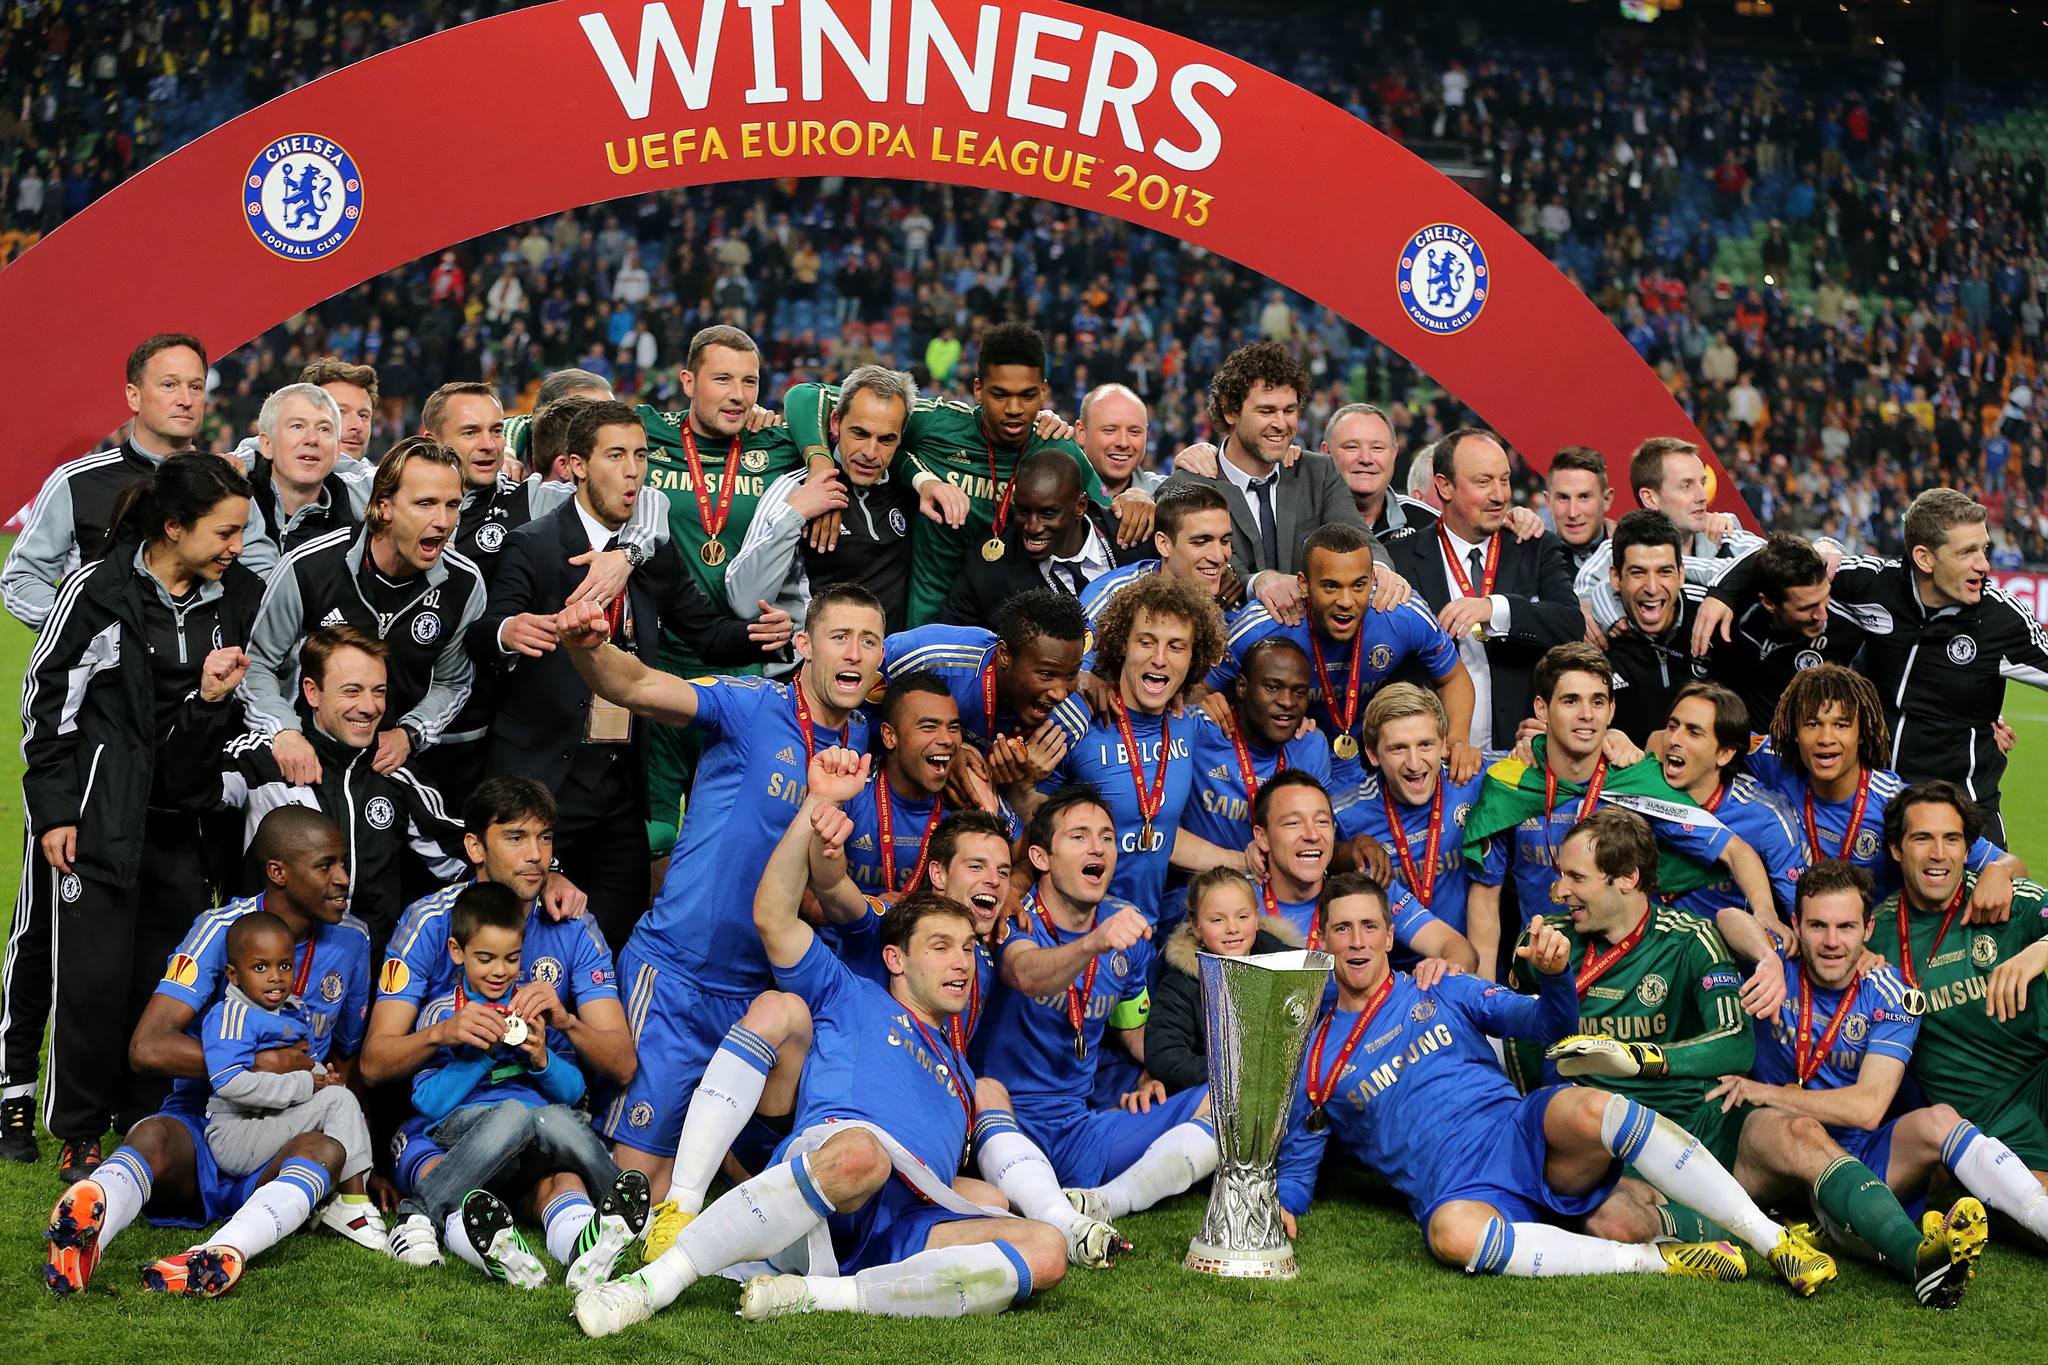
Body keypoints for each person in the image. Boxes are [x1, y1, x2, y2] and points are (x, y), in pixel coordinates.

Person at [570, 789, 1073, 1336]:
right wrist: (816, 806)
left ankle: (820, 1296)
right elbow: (773, 914)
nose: (961, 963)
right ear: (895, 958)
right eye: (940, 947)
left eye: (966, 950)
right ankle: (656, 1281)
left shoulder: (959, 1068)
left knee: (1045, 1250)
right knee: (862, 1151)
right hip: (829, 1187)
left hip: (901, 1224)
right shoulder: (847, 991)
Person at [1273, 871, 1831, 1291]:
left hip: (1518, 1134)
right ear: (1321, 941)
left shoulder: (1438, 985)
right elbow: (1300, 1160)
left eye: (1369, 926)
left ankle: (1771, 1239)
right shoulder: (1315, 1055)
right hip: (1460, 1189)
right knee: (1450, 1236)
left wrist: (1557, 977)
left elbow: (1549, 1026)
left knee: (1585, 1105)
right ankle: (1655, 1260)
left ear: (1390, 934)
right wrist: (1282, 1205)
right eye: (1342, 928)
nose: (1357, 941)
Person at [1527, 811, 1987, 1308]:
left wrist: (1641, 1058)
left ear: (1626, 879)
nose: (1559, 890)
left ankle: (1919, 1258)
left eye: (1574, 877)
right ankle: (1769, 1230)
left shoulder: (1689, 939)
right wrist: (1549, 981)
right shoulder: (1548, 942)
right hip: (1614, 1152)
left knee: (1798, 1132)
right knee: (1610, 1222)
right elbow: (1526, 1040)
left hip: (1704, 1124)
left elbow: (1734, 1044)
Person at [555, 582, 883, 1200]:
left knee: (740, 1182)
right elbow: (638, 686)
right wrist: (587, 649)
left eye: (869, 641)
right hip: (678, 979)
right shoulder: (749, 704)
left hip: (761, 994)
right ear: (805, 646)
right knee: (637, 1187)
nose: (854, 654)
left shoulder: (860, 742)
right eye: (839, 637)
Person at [18, 453, 263, 1179]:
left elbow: (259, 706)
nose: (235, 547)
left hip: (188, 821)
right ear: (174, 526)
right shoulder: (98, 590)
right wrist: (58, 810)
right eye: (224, 532)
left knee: (167, 981)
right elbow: (46, 706)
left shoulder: (239, 595)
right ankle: (82, 1128)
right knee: (92, 982)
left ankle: (148, 1119)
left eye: (241, 531)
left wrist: (221, 728)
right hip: (99, 820)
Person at [473, 398, 791, 945]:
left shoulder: (649, 553)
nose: (633, 471)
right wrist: (508, 632)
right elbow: (485, 631)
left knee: (613, 937)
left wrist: (763, 634)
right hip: (543, 777)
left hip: (619, 786)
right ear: (575, 465)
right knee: (524, 942)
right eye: (615, 455)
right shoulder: (536, 544)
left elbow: (706, 633)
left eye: (640, 455)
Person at [45, 809, 374, 1298]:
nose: (343, 879)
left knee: (324, 1148)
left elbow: (347, 1053)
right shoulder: (220, 928)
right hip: (204, 1118)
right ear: (278, 871)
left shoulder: (352, 939)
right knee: (152, 1134)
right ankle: (95, 1213)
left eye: (344, 863)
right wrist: (250, 1065)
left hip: (287, 1124)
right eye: (326, 866)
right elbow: (149, 1044)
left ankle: (218, 1254)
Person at [1709, 858, 2048, 1248]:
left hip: (1859, 1154)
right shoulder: (1778, 965)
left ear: (1867, 929)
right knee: (1798, 1132)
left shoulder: (1892, 993)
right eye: (1818, 926)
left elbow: (1867, 1109)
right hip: (1775, 1151)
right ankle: (1879, 1235)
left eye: (1846, 927)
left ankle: (2040, 1215)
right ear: (1797, 927)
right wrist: (1766, 956)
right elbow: (1727, 915)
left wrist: (1765, 1093)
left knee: (1940, 1120)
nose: (1832, 941)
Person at [362, 777, 631, 1266]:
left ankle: (586, 1249)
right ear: (474, 846)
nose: (536, 855)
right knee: (438, 1160)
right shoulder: (430, 921)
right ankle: (426, 1219)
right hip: (448, 1128)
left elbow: (623, 1064)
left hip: (540, 1121)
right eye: (515, 837)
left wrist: (566, 1024)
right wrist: (445, 1033)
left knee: (561, 1176)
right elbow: (376, 1064)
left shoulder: (573, 925)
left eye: (545, 838)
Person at [1702, 488, 2048, 844]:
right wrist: (1723, 594)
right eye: (1967, 552)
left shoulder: (2003, 620)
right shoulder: (1873, 584)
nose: (1984, 565)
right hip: (1873, 805)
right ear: (1924, 558)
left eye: (1984, 549)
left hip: (1961, 811)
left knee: (1994, 890)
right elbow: (1779, 559)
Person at [1463, 644, 1789, 993]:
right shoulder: (1511, 782)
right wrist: (1483, 998)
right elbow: (1485, 899)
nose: (1586, 714)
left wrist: (1765, 912)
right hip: (1546, 971)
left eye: (1598, 702)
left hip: (1636, 978)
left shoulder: (1639, 780)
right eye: (1571, 701)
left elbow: (1734, 851)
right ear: (1542, 708)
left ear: (1612, 709)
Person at [783, 321, 1149, 628]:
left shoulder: (1059, 451)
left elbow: (1107, 511)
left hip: (1007, 624)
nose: (1014, 409)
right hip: (927, 624)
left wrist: (1136, 497)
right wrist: (823, 469)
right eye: (999, 394)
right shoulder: (936, 423)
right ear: (977, 390)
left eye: (1027, 396)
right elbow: (806, 396)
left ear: (1044, 394)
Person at [978, 786, 1221, 1220]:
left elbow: (1131, 1028)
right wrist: (1092, 944)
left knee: (1226, 1102)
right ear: (1040, 858)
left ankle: (1108, 1201)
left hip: (1079, 1128)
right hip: (1004, 1123)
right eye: (1079, 836)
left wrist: (1154, 1069)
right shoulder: (1014, 917)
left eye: (1107, 837)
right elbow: (1024, 972)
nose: (1098, 847)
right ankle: (1058, 1212)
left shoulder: (1123, 928)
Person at [404, 881, 645, 1291]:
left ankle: (618, 1210)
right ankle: (418, 1211)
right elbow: (427, 1102)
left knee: (552, 1117)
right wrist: (477, 1054)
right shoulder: (444, 1013)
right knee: (516, 1114)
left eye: (511, 958)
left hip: (533, 1133)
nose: (499, 970)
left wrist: (541, 1059)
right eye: (485, 958)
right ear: (457, 952)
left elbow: (571, 1093)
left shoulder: (530, 1006)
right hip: (466, 1130)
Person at [238, 437, 485, 791]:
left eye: (452, 505)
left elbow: (453, 681)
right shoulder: (309, 568)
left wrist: (410, 733)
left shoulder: (464, 584)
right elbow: (257, 664)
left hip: (396, 771)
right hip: (306, 765)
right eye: (425, 504)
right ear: (384, 506)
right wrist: (284, 731)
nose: (443, 521)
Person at [209, 627, 467, 948]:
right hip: (269, 969)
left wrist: (547, 871)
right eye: (352, 690)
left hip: (365, 977)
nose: (369, 707)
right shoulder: (266, 757)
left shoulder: (394, 772)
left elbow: (468, 857)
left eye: (379, 691)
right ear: (312, 692)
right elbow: (186, 792)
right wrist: (208, 704)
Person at [1869, 783, 2048, 1222]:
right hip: (1986, 1128)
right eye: (1922, 838)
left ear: (1968, 848)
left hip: (2041, 1084)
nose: (1938, 853)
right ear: (1895, 849)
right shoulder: (1877, 935)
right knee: (2027, 1213)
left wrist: (2036, 952)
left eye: (1951, 839)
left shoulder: (2000, 899)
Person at [1018, 574, 1231, 919]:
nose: (1160, 658)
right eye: (1146, 642)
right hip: (1074, 930)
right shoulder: (1078, 718)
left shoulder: (1187, 724)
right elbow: (1029, 816)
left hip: (1144, 934)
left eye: (1176, 646)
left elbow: (1157, 833)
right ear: (1122, 646)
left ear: (1194, 658)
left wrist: (1241, 860)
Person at [1217, 521, 1474, 793]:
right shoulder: (1264, 624)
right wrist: (1215, 705)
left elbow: (1454, 678)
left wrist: (1456, 740)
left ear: (1373, 580)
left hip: (1374, 767)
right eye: (1331, 586)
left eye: (1358, 585)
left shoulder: (1401, 613)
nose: (1346, 601)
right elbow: (1202, 692)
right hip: (1284, 766)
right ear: (1303, 584)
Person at [1743, 664, 2020, 906]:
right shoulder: (1771, 762)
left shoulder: (1897, 804)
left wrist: (1998, 871)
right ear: (1794, 733)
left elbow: (2012, 866)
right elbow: (1715, 738)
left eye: (1841, 725)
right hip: (1798, 939)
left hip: (1875, 950)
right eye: (1812, 724)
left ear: (1862, 733)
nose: (1825, 738)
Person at [1387, 429, 1581, 748]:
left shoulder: (1534, 547)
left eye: (1504, 480)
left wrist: (1496, 609)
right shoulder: (1401, 559)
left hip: (1521, 754)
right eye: (1484, 482)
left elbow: (1570, 625)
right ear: (1444, 486)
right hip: (1433, 758)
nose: (1500, 495)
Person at [197, 911, 379, 1252]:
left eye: (284, 966)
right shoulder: (231, 1014)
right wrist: (307, 1085)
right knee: (337, 1101)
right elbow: (230, 1084)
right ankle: (353, 1203)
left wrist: (323, 1076)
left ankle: (332, 1199)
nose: (275, 978)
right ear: (233, 975)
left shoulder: (293, 1010)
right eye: (260, 967)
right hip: (237, 1132)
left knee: (338, 1095)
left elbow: (303, 1062)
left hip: (269, 1121)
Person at [4, 332, 208, 631]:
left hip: (201, 676)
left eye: (196, 387)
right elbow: (22, 578)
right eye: (169, 385)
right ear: (133, 396)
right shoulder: (76, 482)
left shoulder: (225, 484)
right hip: (101, 676)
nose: (186, 400)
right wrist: (82, 629)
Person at [724, 364, 939, 631]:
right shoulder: (796, 488)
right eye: (859, 433)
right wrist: (793, 515)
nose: (870, 452)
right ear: (835, 422)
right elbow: (743, 602)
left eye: (885, 439)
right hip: (809, 666)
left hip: (886, 666)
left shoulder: (905, 490)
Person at [1350, 684, 1509, 972]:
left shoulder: (1476, 778)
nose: (1414, 763)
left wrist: (1614, 738)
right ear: (1373, 754)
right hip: (1394, 985)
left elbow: (1555, 760)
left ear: (1444, 744)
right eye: (1398, 748)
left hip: (1472, 972)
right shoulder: (1348, 816)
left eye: (1425, 745)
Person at [1247, 769, 1473, 967]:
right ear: (1263, 837)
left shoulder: (1366, 889)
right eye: (1293, 823)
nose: (1312, 834)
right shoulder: (1237, 902)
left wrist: (1445, 970)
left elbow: (1457, 948)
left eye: (1322, 821)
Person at [836, 674, 1014, 899]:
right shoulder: (851, 791)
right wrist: (870, 909)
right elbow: (805, 896)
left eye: (954, 728)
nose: (947, 740)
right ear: (890, 736)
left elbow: (1025, 857)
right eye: (929, 727)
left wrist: (1014, 891)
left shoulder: (969, 791)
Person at [1654, 682, 1807, 928]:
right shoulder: (1642, 788)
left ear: (1724, 753)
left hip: (1728, 957)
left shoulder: (1767, 817)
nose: (1674, 739)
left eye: (1693, 732)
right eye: (1673, 726)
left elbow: (1803, 917)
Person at [879, 588, 1086, 770]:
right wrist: (945, 751)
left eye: (1071, 674)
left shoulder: (1068, 723)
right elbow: (854, 708)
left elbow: (1035, 808)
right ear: (1005, 655)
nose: (1060, 693)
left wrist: (1022, 784)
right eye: (1046, 674)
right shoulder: (929, 656)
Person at [1575, 437, 1765, 634]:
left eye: (1702, 483)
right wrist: (1608, 611)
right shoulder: (1613, 553)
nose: (1702, 496)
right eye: (1686, 486)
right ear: (1650, 498)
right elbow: (1579, 609)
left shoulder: (1728, 536)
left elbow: (1780, 561)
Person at [1176, 637, 1335, 870]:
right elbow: (1155, 828)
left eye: (1299, 692)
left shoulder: (1310, 745)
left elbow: (1320, 836)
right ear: (1242, 687)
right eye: (1272, 687)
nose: (1287, 702)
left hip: (1281, 891)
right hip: (1201, 889)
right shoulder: (1199, 731)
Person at [937, 448, 1140, 624]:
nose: (1032, 527)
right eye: (1023, 511)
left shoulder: (1135, 535)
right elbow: (950, 643)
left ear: (1080, 507)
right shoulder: (988, 570)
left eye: (1047, 513)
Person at [1695, 533, 1864, 741]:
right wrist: (1719, 594)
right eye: (1807, 608)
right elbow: (1670, 565)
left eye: (1825, 598)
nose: (1822, 615)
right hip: (1738, 751)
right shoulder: (1741, 609)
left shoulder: (1851, 628)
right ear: (1769, 604)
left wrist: (1828, 543)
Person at [1148, 868, 1298, 1093]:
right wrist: (1238, 1073)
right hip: (1218, 1099)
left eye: (1243, 916)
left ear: (1256, 919)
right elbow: (1164, 1056)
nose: (1232, 928)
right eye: (1217, 919)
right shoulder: (1181, 983)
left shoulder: (1288, 964)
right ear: (1196, 927)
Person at [235, 382, 371, 577]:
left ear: (337, 452)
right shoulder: (233, 497)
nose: (312, 439)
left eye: (324, 429)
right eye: (297, 426)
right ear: (266, 444)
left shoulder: (354, 520)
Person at [1602, 510, 1709, 745]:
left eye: (1664, 572)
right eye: (1638, 573)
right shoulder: (1595, 641)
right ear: (1616, 578)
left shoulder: (1715, 625)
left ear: (1681, 575)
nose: (1652, 587)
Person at [1079, 482, 1239, 624]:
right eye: (1201, 541)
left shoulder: (1231, 610)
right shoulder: (1110, 603)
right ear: (1164, 544)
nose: (1218, 556)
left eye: (1224, 541)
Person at [1323, 402, 1436, 540]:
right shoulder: (1297, 517)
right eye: (1352, 447)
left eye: (1377, 448)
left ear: (1394, 453)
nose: (1366, 459)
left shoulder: (1430, 524)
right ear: (1326, 453)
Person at [1077, 383, 1159, 499]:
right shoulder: (1053, 492)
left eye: (1134, 432)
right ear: (1081, 432)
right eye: (1110, 430)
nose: (1123, 443)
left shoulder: (1165, 497)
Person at [297, 357, 381, 465]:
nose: (358, 426)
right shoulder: (274, 479)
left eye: (363, 416)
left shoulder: (382, 480)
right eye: (340, 412)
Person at [1545, 446, 1614, 571]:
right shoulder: (1531, 561)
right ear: (1548, 502)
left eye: (1584, 497)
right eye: (1563, 498)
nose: (1573, 513)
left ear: (1606, 500)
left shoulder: (1631, 558)